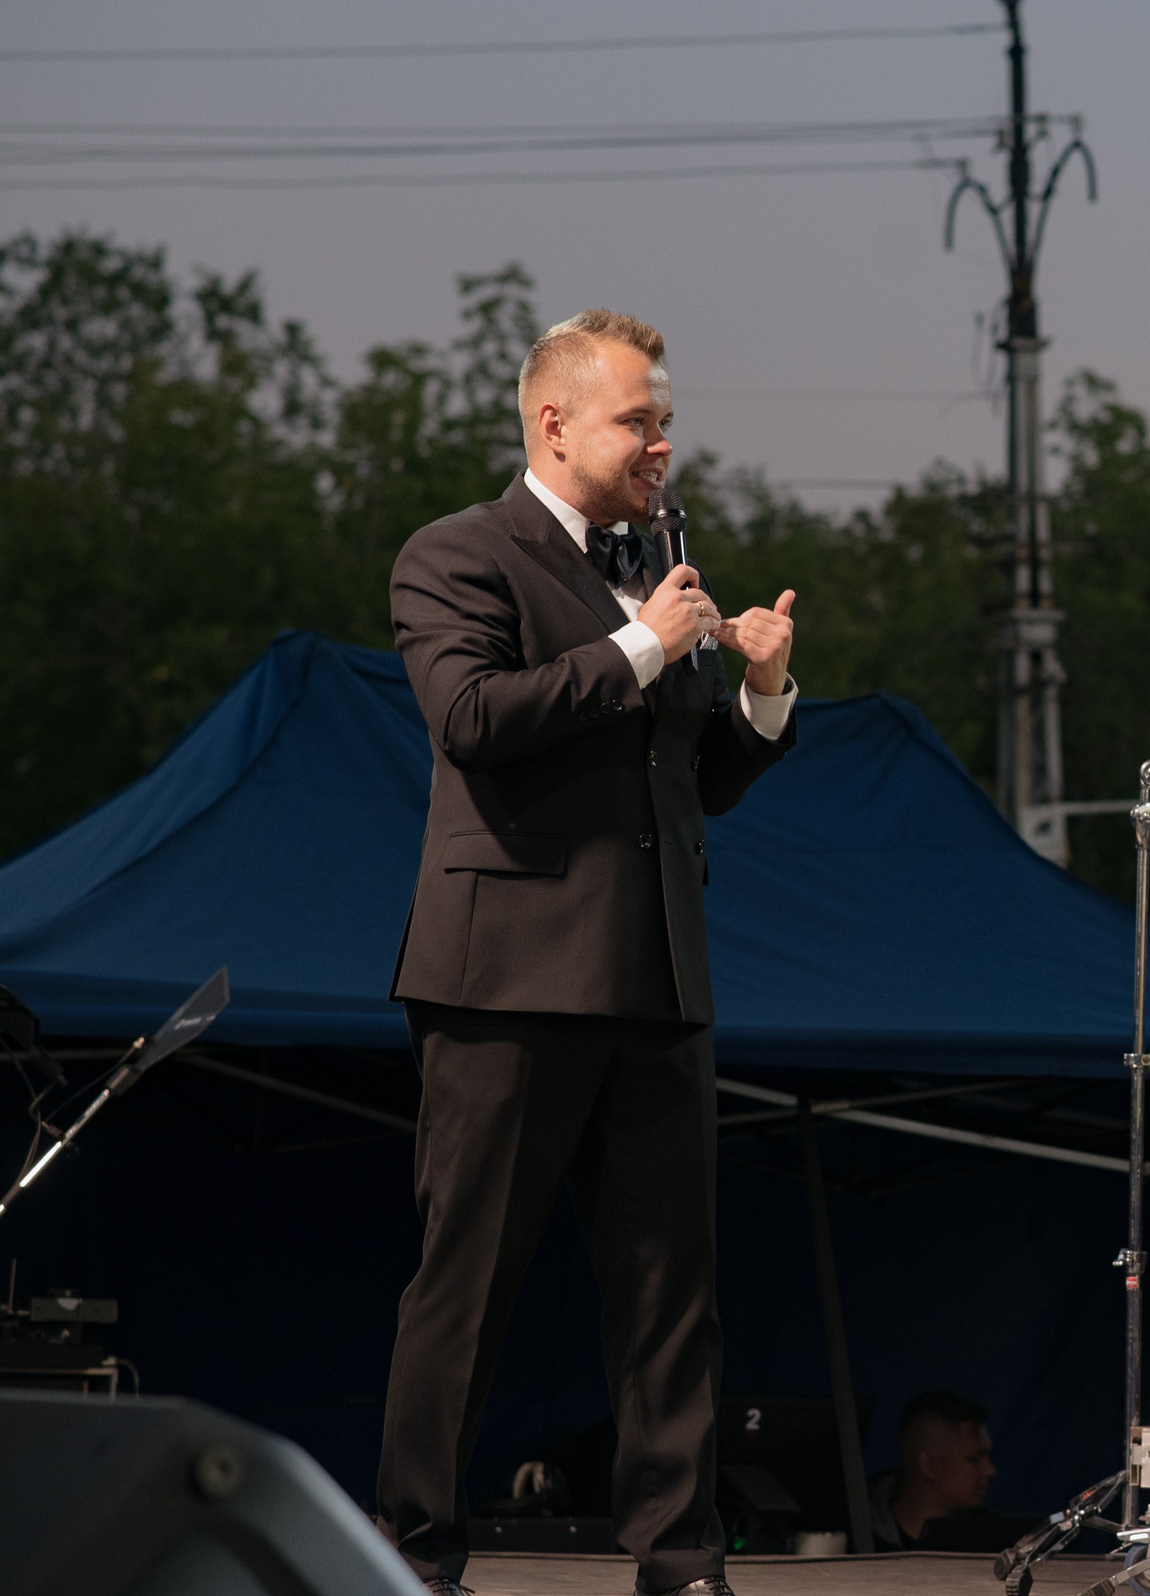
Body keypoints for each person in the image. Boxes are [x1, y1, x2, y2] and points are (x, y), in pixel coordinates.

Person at [379, 308, 800, 1596]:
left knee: (673, 1297)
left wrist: (762, 693)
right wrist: (639, 646)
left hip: (658, 975)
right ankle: (413, 1557)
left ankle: (681, 1561)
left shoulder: (658, 568)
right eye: (638, 419)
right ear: (553, 423)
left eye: (666, 419)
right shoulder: (459, 555)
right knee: (469, 1287)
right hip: (507, 976)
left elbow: (689, 779)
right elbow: (473, 719)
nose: (661, 442)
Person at [868, 1393, 1002, 1552]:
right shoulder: (852, 1539)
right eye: (974, 1459)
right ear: (929, 1466)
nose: (990, 1470)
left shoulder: (996, 1544)